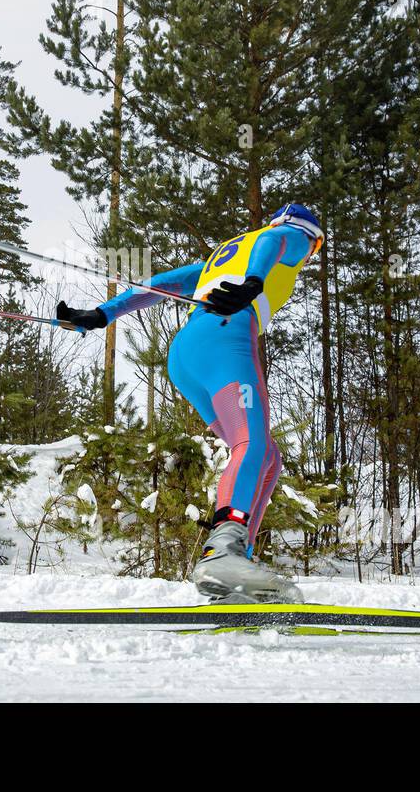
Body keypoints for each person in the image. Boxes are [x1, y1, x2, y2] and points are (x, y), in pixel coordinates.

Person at [57, 203, 324, 603]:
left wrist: (102, 314)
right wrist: (253, 283)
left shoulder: (223, 256)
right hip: (226, 339)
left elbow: (161, 284)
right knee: (251, 444)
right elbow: (275, 239)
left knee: (266, 454)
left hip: (186, 356)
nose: (308, 254)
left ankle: (235, 568)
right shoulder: (291, 237)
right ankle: (224, 553)